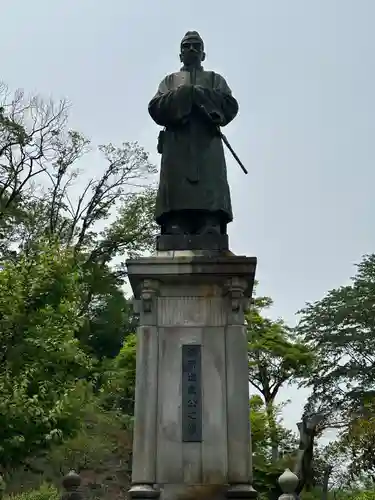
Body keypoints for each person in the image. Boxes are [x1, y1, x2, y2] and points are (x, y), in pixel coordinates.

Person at [148, 31, 239, 236]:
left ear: (203, 54)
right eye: (187, 46)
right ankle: (176, 223)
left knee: (211, 180)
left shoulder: (215, 79)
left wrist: (201, 95)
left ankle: (211, 222)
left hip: (207, 140)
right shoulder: (170, 81)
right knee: (176, 182)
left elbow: (230, 105)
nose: (191, 49)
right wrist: (184, 94)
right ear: (180, 55)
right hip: (177, 140)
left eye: (196, 46)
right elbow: (156, 107)